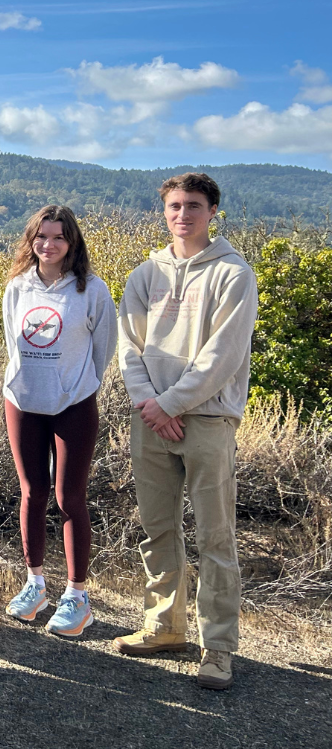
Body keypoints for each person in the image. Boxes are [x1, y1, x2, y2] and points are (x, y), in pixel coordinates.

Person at [113, 173, 256, 692]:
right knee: (158, 528)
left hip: (208, 418)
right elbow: (129, 346)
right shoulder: (145, 274)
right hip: (150, 415)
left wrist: (169, 403)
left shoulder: (233, 274)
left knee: (215, 535)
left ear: (213, 210)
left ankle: (218, 646)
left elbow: (223, 356)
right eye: (174, 206)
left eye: (193, 206)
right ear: (165, 212)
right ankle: (165, 626)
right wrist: (150, 405)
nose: (182, 215)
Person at [1, 205, 116, 637]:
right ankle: (35, 585)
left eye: (58, 237)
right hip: (23, 401)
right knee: (32, 493)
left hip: (73, 404)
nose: (48, 245)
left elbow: (103, 350)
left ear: (72, 243)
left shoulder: (91, 290)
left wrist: (77, 384)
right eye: (41, 236)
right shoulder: (17, 287)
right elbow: (14, 342)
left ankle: (77, 595)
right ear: (31, 240)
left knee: (70, 497)